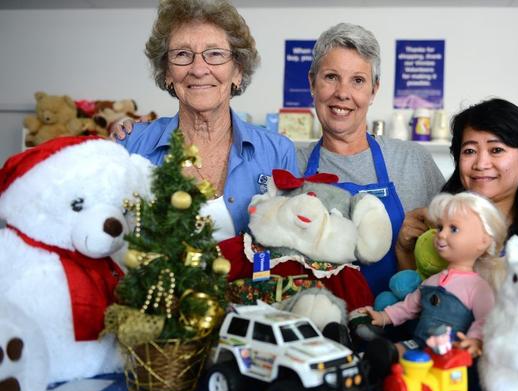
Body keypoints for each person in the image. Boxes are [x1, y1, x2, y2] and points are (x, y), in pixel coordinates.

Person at [114, 0, 297, 242]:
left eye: (215, 54)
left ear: (237, 71)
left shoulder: (277, 152)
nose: (199, 69)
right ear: (168, 73)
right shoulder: (131, 145)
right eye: (182, 54)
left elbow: (292, 246)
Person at [299, 23, 446, 295]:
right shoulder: (290, 163)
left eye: (357, 80)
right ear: (312, 83)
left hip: (395, 326)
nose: (343, 93)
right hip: (312, 329)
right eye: (331, 77)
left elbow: (453, 251)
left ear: (373, 90)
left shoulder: (413, 161)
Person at [396, 98, 518, 268]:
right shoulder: (438, 230)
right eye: (469, 151)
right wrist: (405, 251)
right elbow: (419, 291)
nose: (480, 164)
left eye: (496, 150)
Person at [364, 192, 507, 358]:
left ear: (483, 241)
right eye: (440, 227)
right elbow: (409, 306)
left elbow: (485, 320)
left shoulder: (478, 287)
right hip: (418, 344)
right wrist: (383, 316)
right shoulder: (433, 281)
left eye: (453, 228)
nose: (441, 234)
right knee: (386, 354)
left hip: (449, 353)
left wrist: (475, 340)